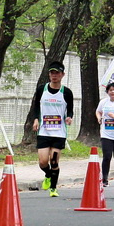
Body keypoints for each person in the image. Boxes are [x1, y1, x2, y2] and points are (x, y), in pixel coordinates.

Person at [31, 61, 74, 197]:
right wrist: (36, 119)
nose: (54, 75)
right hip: (44, 131)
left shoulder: (66, 92)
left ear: (62, 75)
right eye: (52, 73)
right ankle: (48, 175)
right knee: (43, 161)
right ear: (49, 74)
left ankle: (53, 189)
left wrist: (69, 118)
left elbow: (70, 111)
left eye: (57, 73)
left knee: (54, 161)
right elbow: (36, 106)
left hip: (59, 133)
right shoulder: (41, 89)